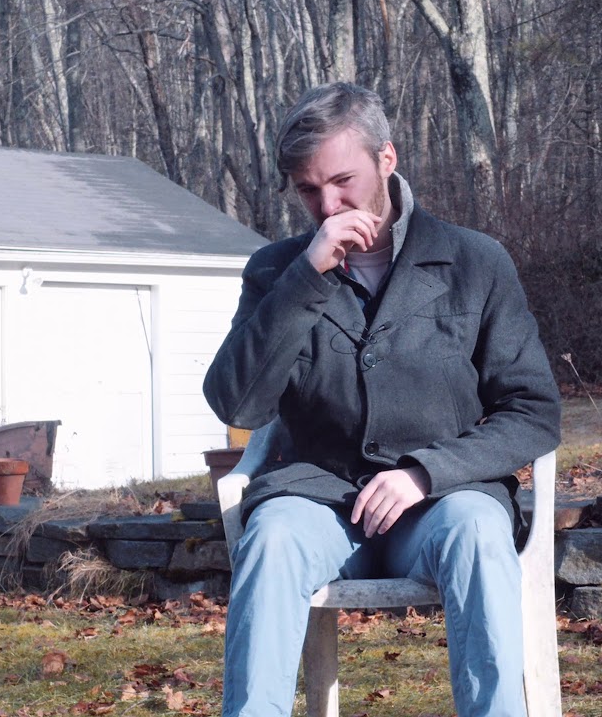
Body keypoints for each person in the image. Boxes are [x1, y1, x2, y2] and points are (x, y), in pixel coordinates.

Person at [203, 82, 560, 717]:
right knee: (271, 537)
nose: (328, 205)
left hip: (442, 504)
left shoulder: (475, 262)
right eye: (309, 190)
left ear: (387, 159)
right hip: (318, 502)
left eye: (343, 181)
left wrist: (425, 474)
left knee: (480, 532)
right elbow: (238, 405)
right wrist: (305, 277)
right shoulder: (275, 271)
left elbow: (533, 411)